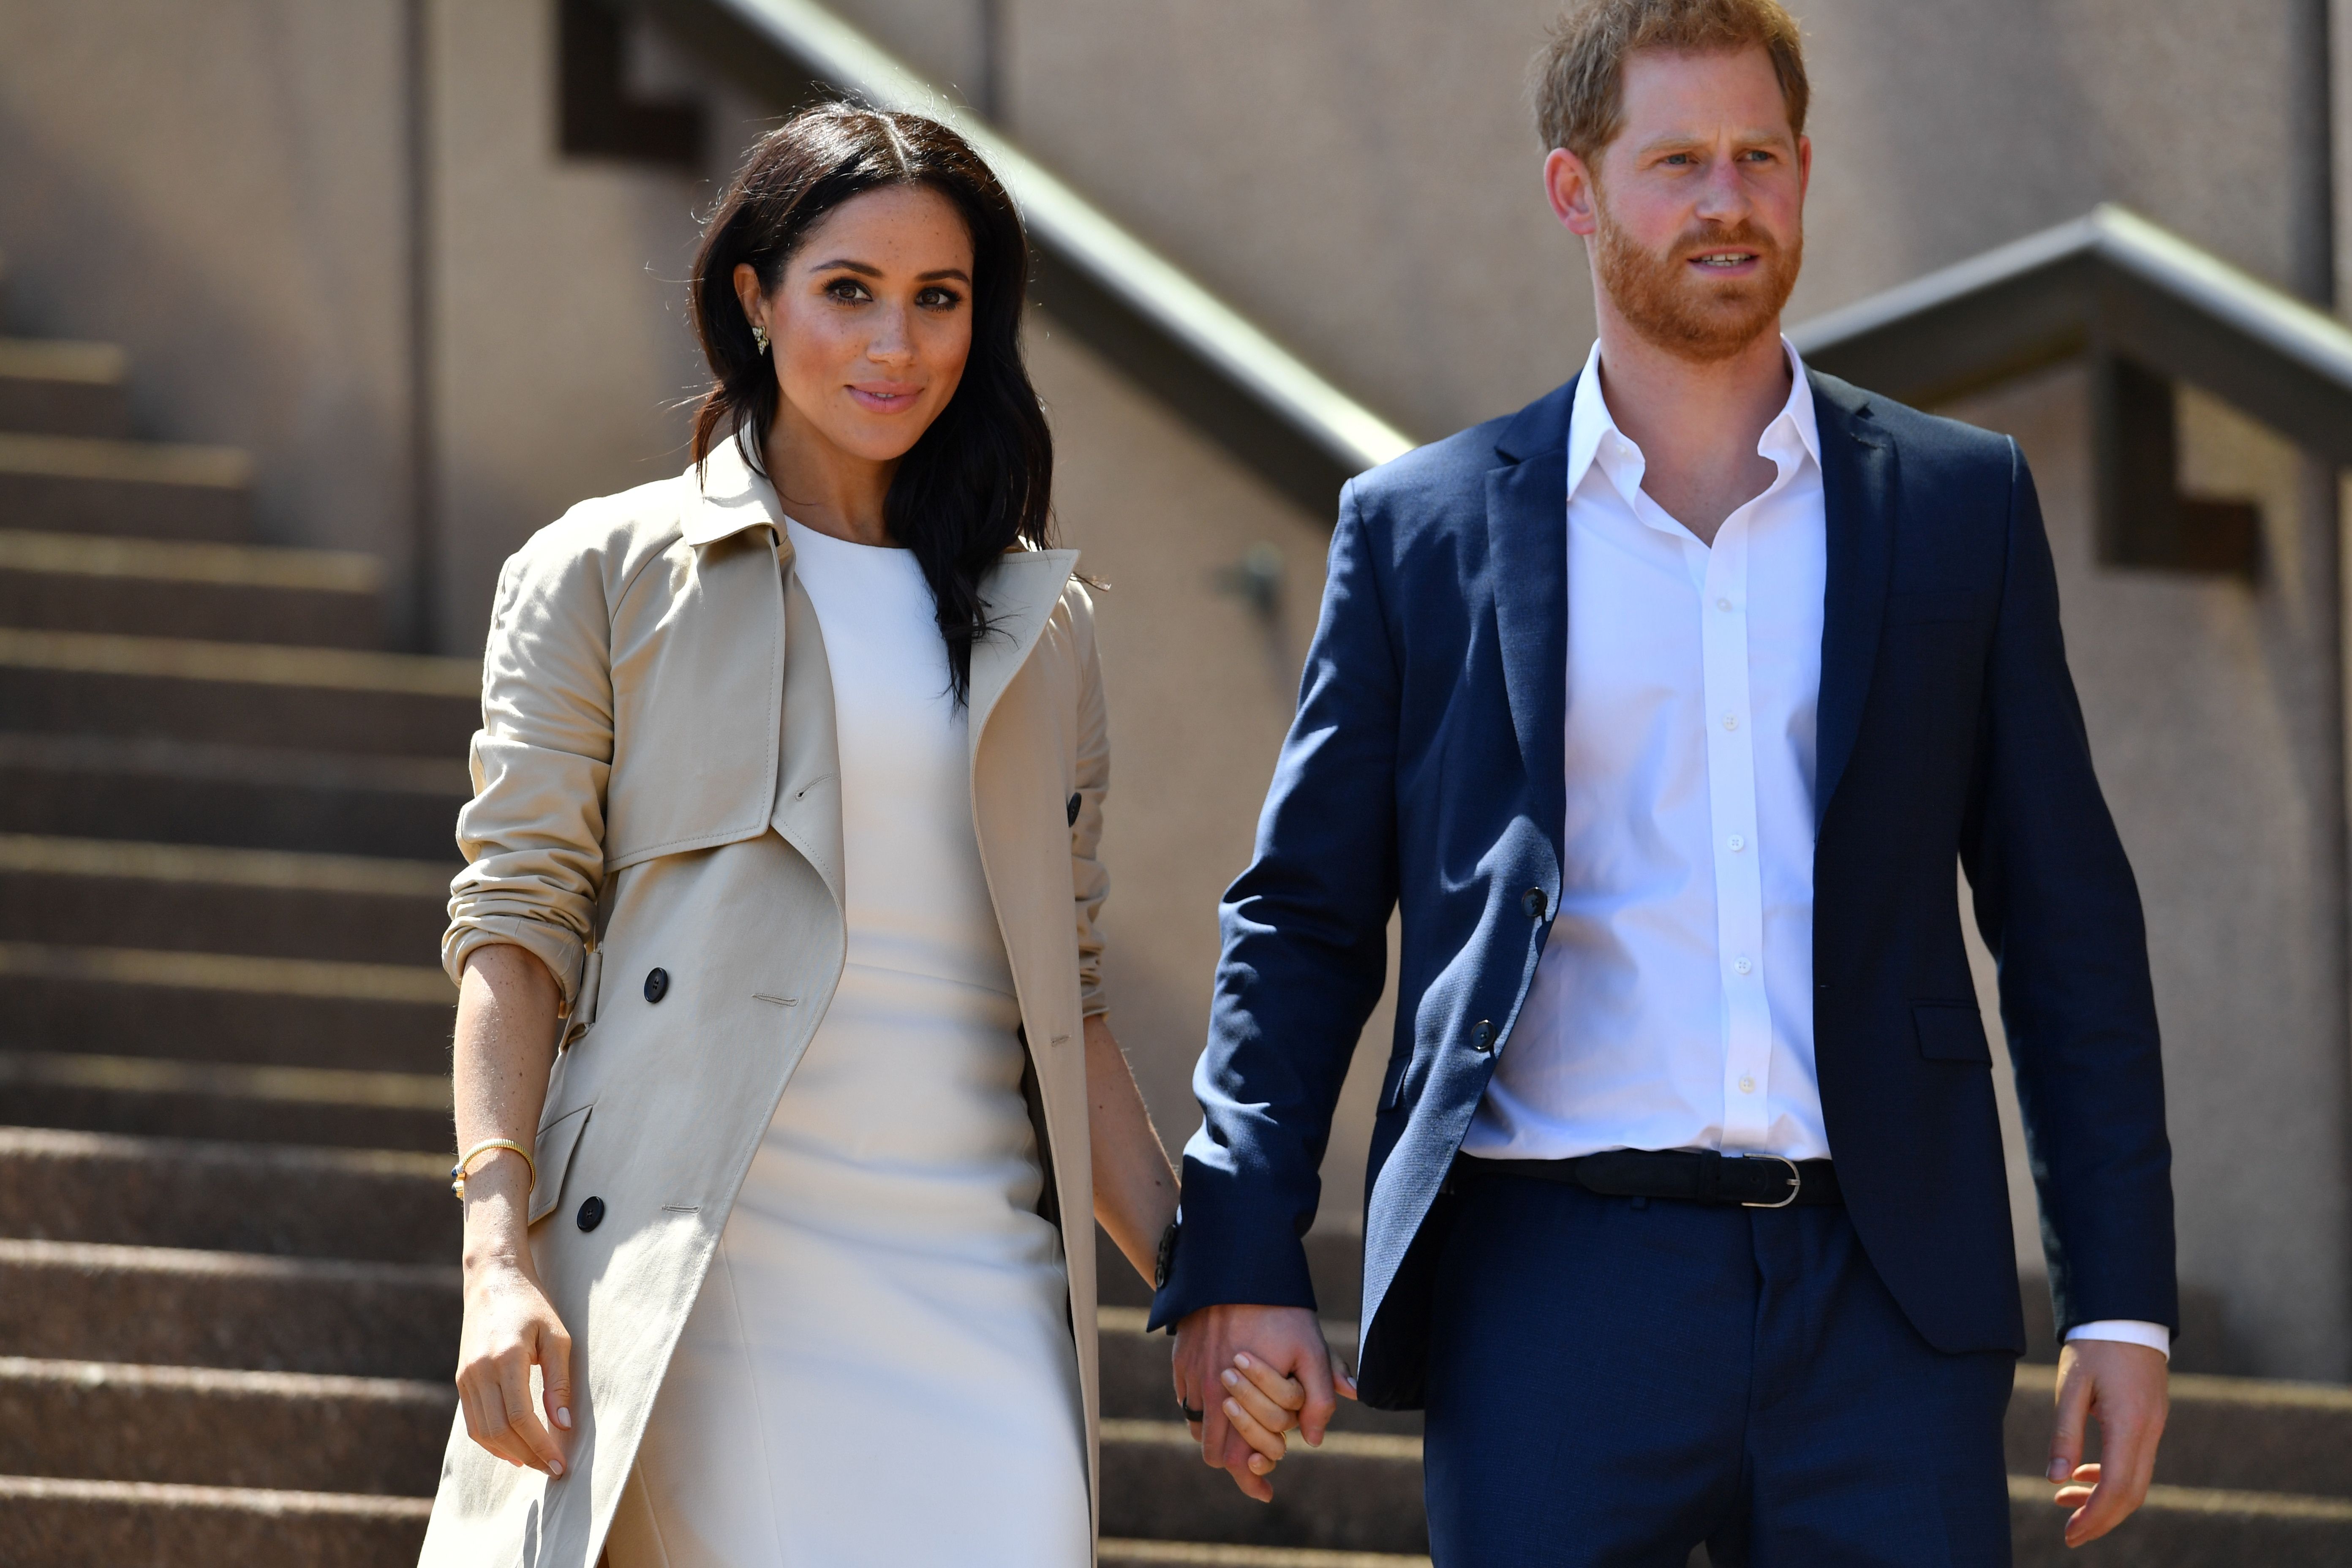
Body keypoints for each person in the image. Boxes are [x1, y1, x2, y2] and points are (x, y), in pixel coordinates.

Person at [1156, 1, 2177, 1560]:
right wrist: (1242, 1251)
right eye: (1679, 159)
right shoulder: (1418, 531)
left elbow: (2065, 925)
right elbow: (1300, 920)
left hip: (1885, 1300)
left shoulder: (1959, 507)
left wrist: (2119, 1297)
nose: (1728, 199)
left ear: (1807, 171)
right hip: (1550, 1295)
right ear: (1575, 190)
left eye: (1760, 156)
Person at [418, 104, 1177, 1567]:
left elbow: (1063, 999)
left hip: (983, 1277)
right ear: (756, 302)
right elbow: (514, 927)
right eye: (849, 292)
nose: (898, 345)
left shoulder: (1042, 624)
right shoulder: (603, 575)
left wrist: (1205, 1282)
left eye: (938, 301)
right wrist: (495, 1256)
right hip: (716, 1275)